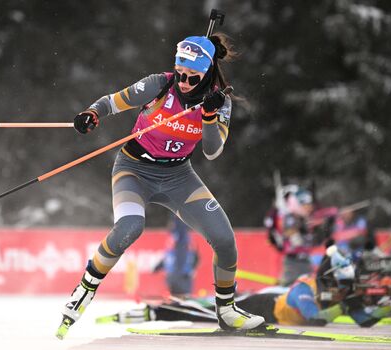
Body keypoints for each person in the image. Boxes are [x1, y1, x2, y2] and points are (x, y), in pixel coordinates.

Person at [56, 33, 266, 338]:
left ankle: (227, 312)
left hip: (178, 177)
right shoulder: (160, 84)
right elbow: (113, 102)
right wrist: (92, 113)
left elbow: (212, 150)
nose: (183, 82)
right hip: (133, 170)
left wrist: (208, 115)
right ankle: (84, 290)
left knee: (224, 240)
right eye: (180, 73)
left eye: (192, 78)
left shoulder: (220, 101)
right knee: (129, 227)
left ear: (206, 73)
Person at [100, 245, 391, 327]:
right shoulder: (305, 290)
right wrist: (347, 307)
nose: (343, 292)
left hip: (265, 304)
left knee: (205, 308)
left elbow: (363, 320)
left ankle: (162, 309)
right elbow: (316, 318)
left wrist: (388, 307)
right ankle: (153, 313)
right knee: (204, 313)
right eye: (340, 287)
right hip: (260, 307)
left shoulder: (335, 291)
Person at [264, 185, 317, 286]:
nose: (310, 207)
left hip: (305, 259)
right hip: (293, 261)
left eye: (310, 204)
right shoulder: (290, 217)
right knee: (288, 286)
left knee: (309, 286)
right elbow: (289, 233)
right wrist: (301, 228)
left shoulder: (305, 218)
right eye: (306, 204)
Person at [153, 214, 199, 298]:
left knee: (183, 299)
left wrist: (178, 217)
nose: (169, 224)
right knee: (175, 299)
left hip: (181, 275)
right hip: (173, 275)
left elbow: (194, 257)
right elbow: (168, 256)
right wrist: (158, 267)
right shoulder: (173, 237)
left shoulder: (181, 237)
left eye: (172, 222)